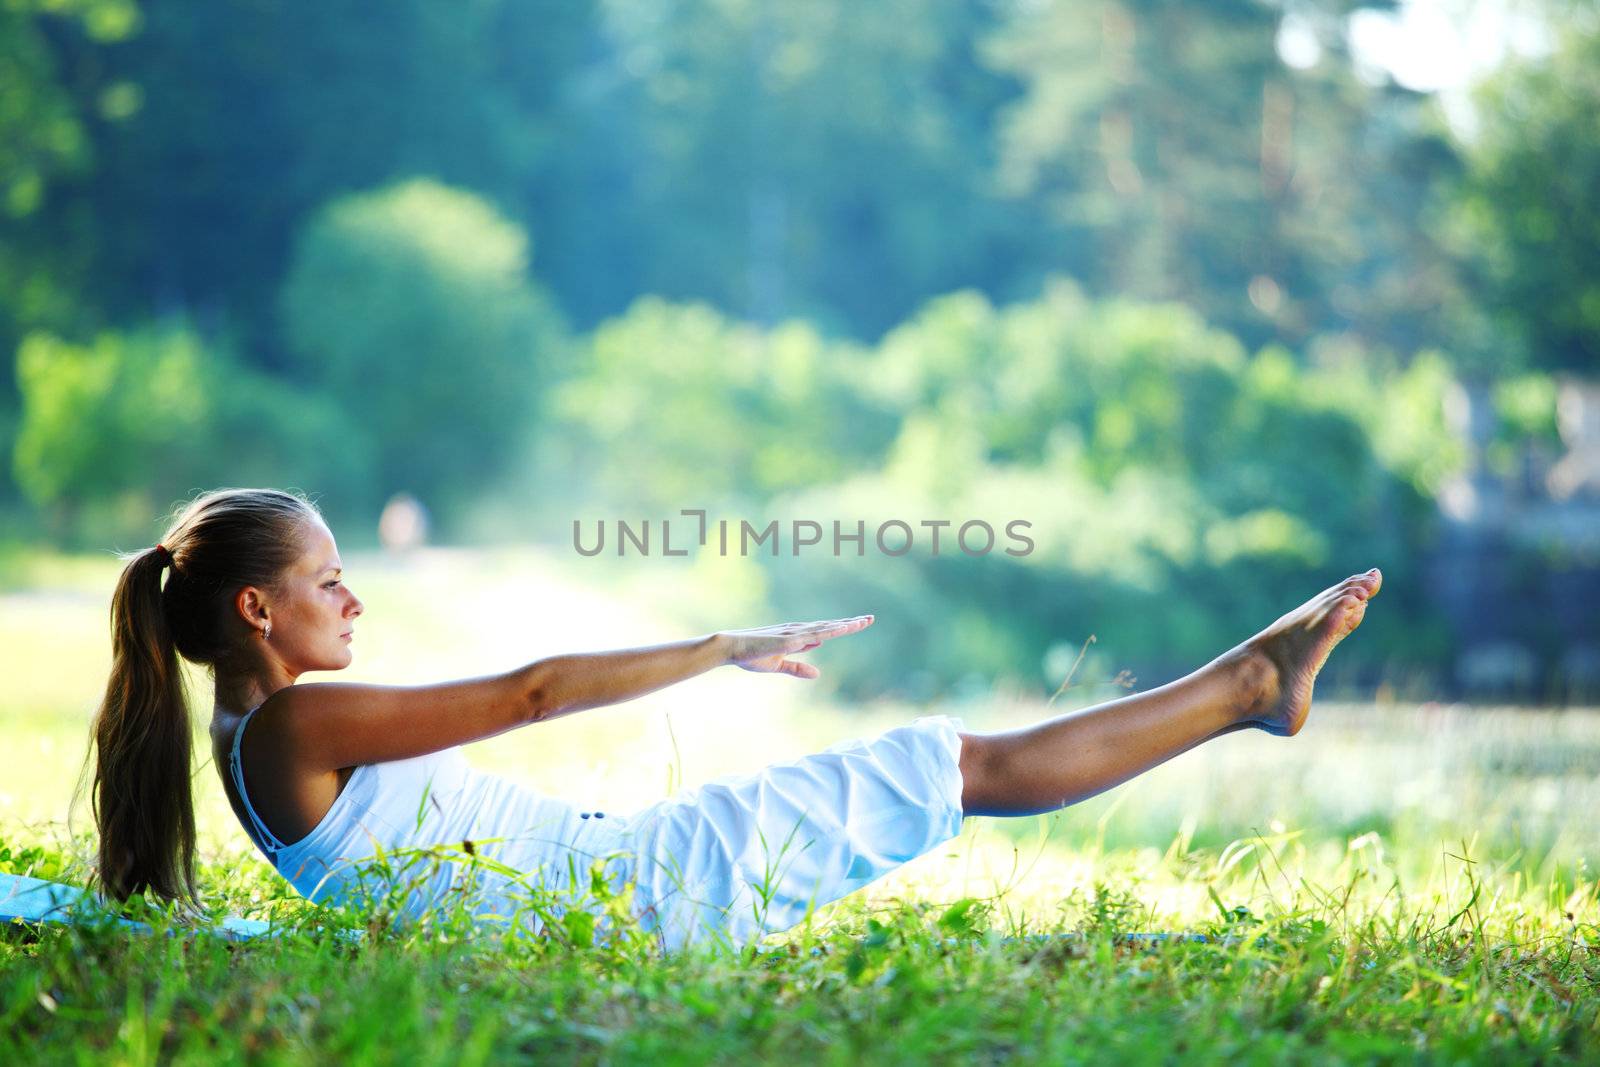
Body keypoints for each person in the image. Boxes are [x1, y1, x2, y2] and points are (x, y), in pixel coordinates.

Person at [88, 488, 1382, 953]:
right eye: (327, 580)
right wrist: (720, 649)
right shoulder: (295, 733)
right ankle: (1249, 689)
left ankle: (1248, 690)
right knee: (949, 761)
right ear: (257, 610)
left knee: (942, 766)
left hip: (616, 882)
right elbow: (533, 694)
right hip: (641, 896)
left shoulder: (251, 738)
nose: (351, 595)